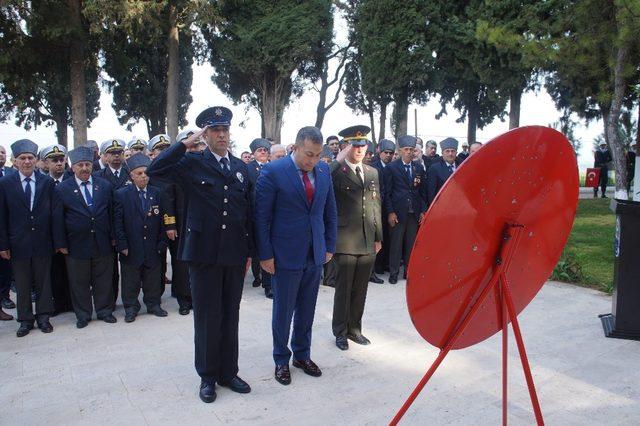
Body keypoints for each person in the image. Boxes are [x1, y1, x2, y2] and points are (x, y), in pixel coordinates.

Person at [147, 106, 252, 403]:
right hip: (203, 255)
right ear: (205, 135)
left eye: (225, 130)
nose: (221, 135)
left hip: (233, 253)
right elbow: (155, 171)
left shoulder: (241, 168)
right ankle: (207, 376)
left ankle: (228, 372)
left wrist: (250, 253)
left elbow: (247, 213)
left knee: (230, 316)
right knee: (207, 317)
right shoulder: (191, 163)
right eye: (214, 130)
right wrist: (184, 144)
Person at [255, 126, 337, 386]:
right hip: (285, 254)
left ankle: (302, 355)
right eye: (308, 154)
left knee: (307, 309)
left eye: (316, 155)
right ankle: (281, 359)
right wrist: (265, 254)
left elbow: (329, 213)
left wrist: (329, 245)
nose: (312, 160)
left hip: (315, 252)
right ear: (295, 146)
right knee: (284, 310)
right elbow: (261, 217)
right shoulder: (273, 171)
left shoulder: (323, 172)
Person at [329, 126, 382, 351]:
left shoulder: (372, 172)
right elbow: (321, 179)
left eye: (362, 145)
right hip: (345, 240)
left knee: (361, 288)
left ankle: (354, 329)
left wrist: (378, 236)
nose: (359, 149)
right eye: (354, 144)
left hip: (367, 239)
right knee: (344, 289)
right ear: (346, 146)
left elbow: (375, 205)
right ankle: (340, 331)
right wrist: (337, 160)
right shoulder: (336, 171)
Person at [53, 146, 117, 328]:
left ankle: (104, 310)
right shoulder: (63, 189)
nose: (85, 168)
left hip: (102, 241)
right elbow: (57, 218)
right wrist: (61, 243)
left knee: (103, 279)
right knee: (78, 282)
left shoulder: (104, 185)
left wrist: (113, 236)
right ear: (72, 167)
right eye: (80, 165)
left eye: (88, 164)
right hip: (75, 244)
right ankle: (83, 314)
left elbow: (111, 213)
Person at [0, 139, 56, 337]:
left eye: (30, 158)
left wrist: (57, 241)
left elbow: (54, 214)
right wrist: (3, 244)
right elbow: (2, 216)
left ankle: (43, 317)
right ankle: (25, 320)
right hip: (18, 243)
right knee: (23, 285)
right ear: (15, 161)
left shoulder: (46, 182)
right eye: (22, 158)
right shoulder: (5, 184)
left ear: (36, 160)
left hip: (42, 241)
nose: (26, 162)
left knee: (43, 282)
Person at [114, 153, 168, 323]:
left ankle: (153, 304)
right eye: (139, 173)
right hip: (131, 245)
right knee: (131, 280)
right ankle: (131, 307)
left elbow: (163, 219)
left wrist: (162, 242)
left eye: (146, 173)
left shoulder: (157, 193)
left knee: (152, 277)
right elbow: (118, 221)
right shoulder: (122, 194)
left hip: (153, 245)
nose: (144, 176)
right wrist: (122, 244)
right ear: (132, 176)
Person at [160, 130, 198, 315]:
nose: (193, 148)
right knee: (181, 264)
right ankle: (184, 300)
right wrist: (170, 224)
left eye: (196, 144)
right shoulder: (175, 167)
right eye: (189, 144)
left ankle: (197, 297)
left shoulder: (203, 165)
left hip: (201, 224)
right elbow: (168, 198)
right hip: (181, 224)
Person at [383, 135, 427, 284]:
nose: (409, 152)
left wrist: (422, 210)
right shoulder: (392, 168)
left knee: (410, 245)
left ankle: (408, 272)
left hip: (413, 212)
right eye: (406, 149)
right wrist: (390, 212)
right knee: (396, 244)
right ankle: (394, 273)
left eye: (412, 149)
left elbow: (422, 192)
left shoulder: (418, 168)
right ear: (400, 150)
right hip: (398, 212)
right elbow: (387, 193)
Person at [40, 145, 73, 315]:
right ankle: (57, 303)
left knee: (70, 271)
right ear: (46, 163)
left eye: (62, 160)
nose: (59, 164)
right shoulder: (42, 182)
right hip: (48, 235)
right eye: (55, 161)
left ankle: (71, 302)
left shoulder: (71, 180)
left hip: (69, 235)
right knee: (53, 271)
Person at [247, 138, 273, 298]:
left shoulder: (273, 167)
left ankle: (268, 284)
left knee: (268, 249)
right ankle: (258, 276)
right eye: (259, 150)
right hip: (255, 215)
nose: (263, 152)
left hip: (272, 216)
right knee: (257, 250)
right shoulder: (247, 168)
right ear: (253, 153)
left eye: (265, 150)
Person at [370, 139, 395, 281]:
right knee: (375, 239)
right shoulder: (373, 167)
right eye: (386, 152)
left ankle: (382, 265)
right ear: (380, 152)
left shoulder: (393, 167)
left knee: (386, 237)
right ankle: (372, 270)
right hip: (375, 208)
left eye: (391, 153)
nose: (388, 155)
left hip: (388, 208)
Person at [0, 145, 16, 313]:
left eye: (3, 152)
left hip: (6, 229)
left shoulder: (11, 175)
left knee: (5, 270)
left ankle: (4, 297)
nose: (0, 155)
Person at [427, 137, 459, 207]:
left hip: (459, 207)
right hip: (441, 207)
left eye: (453, 151)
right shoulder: (434, 168)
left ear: (456, 152)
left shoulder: (461, 167)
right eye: (447, 151)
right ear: (442, 153)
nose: (450, 154)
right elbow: (431, 193)